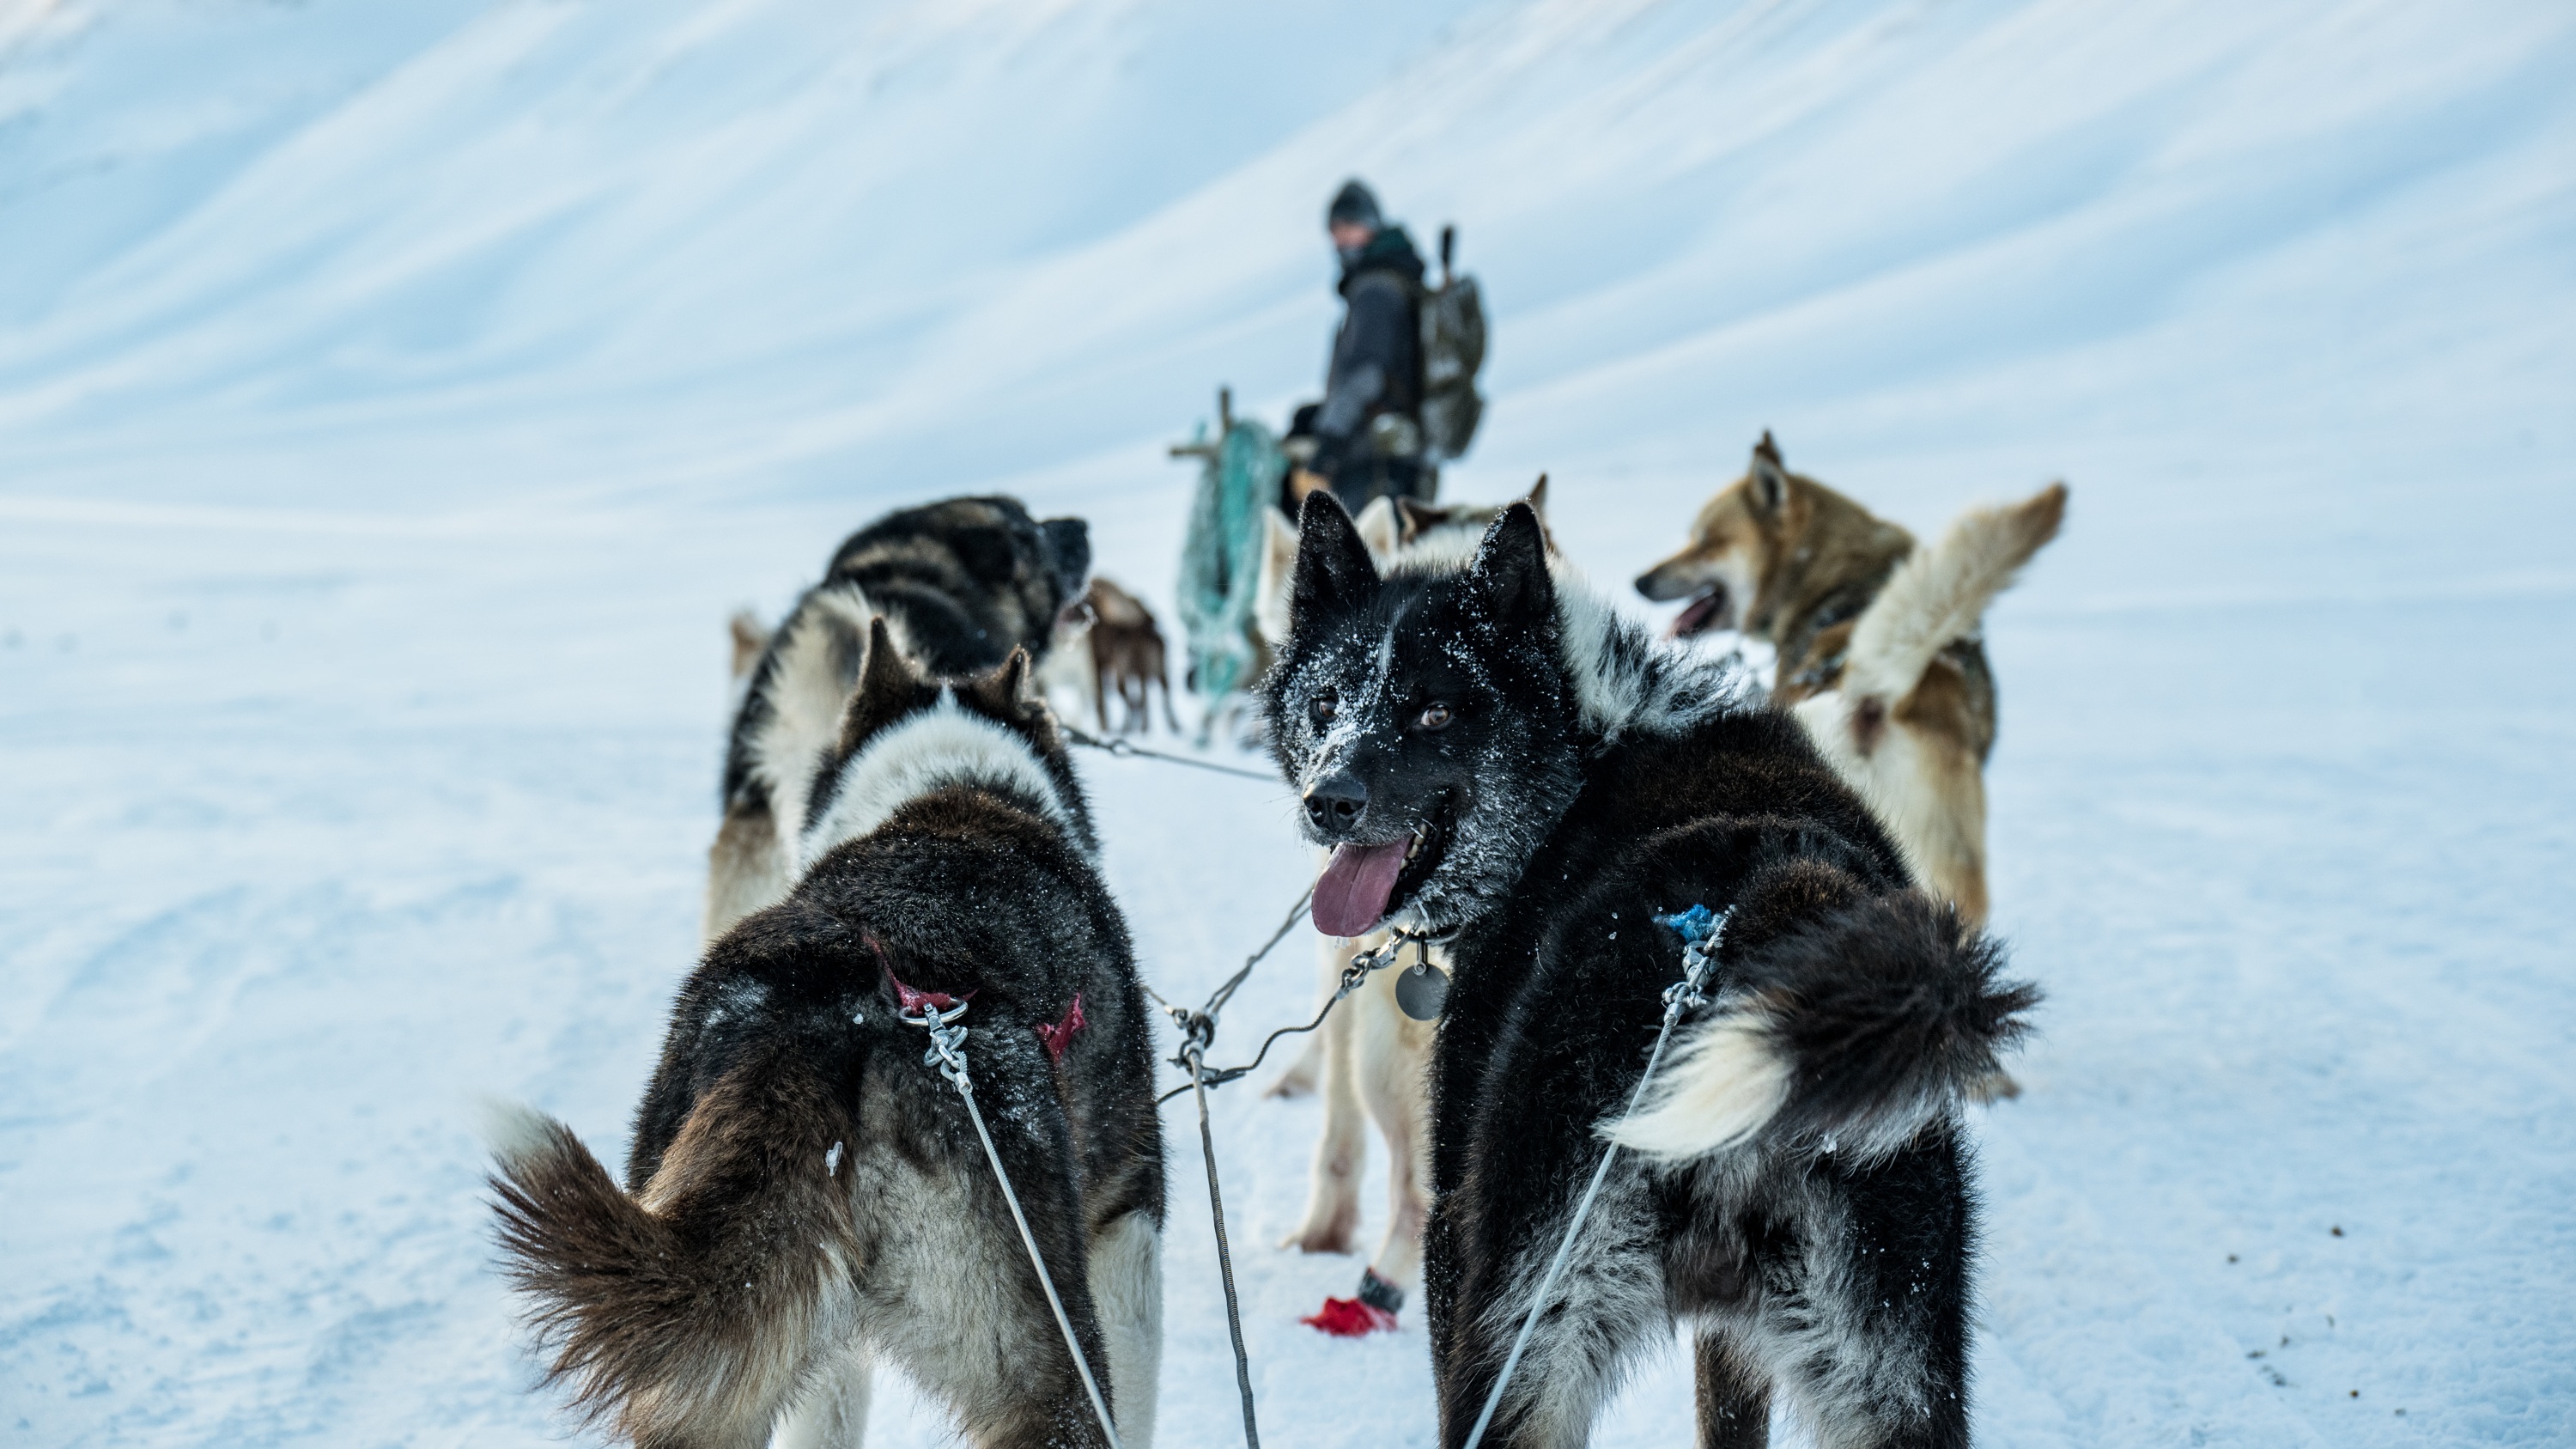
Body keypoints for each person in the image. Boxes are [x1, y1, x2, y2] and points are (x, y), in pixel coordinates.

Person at [1292, 180, 1431, 514]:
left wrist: (1328, 446)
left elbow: (1366, 374)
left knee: (1361, 546)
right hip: (1398, 454)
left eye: (1350, 227)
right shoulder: (1394, 280)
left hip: (1371, 459)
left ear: (1372, 224)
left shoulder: (1375, 291)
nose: (1341, 240)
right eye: (1335, 231)